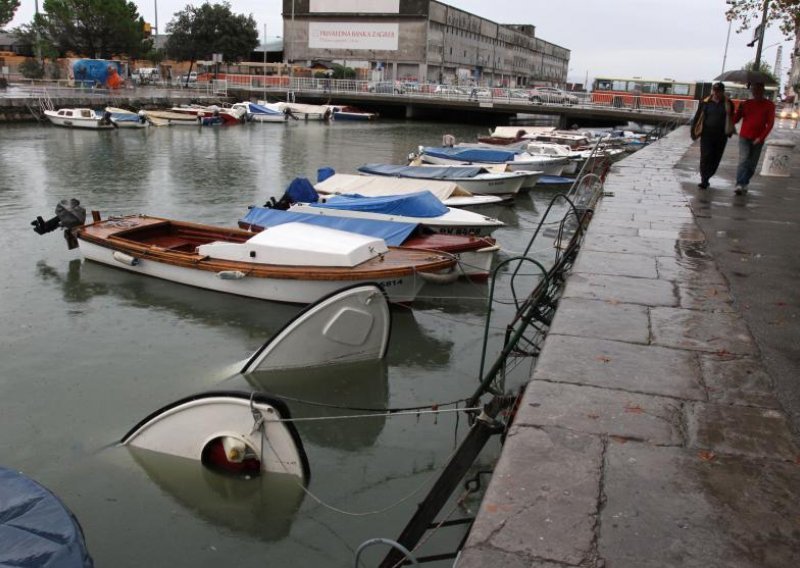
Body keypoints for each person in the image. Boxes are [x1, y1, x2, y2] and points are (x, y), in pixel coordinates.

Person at [690, 81, 735, 189]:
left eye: (718, 91)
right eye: (714, 91)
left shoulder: (729, 103)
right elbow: (697, 117)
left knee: (716, 157)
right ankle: (704, 179)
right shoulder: (705, 102)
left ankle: (709, 175)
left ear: (723, 92)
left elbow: (732, 118)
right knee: (705, 156)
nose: (716, 93)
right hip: (707, 134)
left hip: (721, 135)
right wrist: (693, 131)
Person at [733, 81, 775, 194]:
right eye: (754, 90)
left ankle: (745, 182)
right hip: (744, 136)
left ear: (763, 91)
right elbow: (735, 120)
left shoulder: (769, 105)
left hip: (758, 138)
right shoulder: (746, 103)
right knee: (744, 159)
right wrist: (736, 111)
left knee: (752, 163)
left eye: (758, 90)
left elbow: (770, 124)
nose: (755, 92)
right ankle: (739, 184)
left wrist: (761, 138)